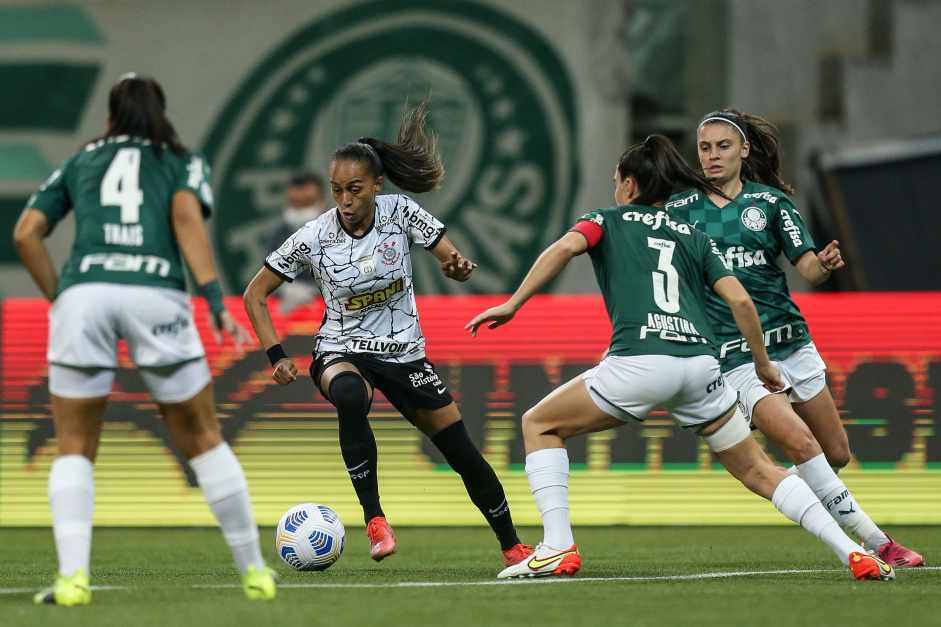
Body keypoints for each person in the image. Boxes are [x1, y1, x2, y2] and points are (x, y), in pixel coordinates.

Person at [467, 135, 895, 582]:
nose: (615, 189)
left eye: (617, 181)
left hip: (642, 361)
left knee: (539, 424)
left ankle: (557, 547)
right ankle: (853, 552)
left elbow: (563, 248)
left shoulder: (604, 220)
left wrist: (513, 303)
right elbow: (742, 302)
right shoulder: (694, 234)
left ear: (630, 186)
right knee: (759, 470)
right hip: (702, 366)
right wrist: (763, 363)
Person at [13, 73, 277, 605]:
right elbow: (185, 221)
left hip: (84, 294)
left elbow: (25, 233)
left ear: (110, 119)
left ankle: (72, 580)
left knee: (74, 446)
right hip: (154, 293)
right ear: (161, 115)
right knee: (204, 437)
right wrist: (212, 298)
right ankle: (254, 572)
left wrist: (62, 297)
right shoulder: (181, 160)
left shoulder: (81, 160)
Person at [242, 98, 533, 568]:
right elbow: (254, 294)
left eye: (355, 189)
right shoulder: (314, 235)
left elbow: (451, 259)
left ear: (377, 185)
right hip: (339, 348)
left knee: (462, 452)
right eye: (337, 190)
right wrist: (276, 355)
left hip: (404, 354)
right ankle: (375, 519)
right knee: (352, 396)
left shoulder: (401, 212)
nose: (346, 200)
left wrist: (457, 268)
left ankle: (514, 546)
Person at [667, 109, 923, 568]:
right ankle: (880, 543)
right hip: (737, 354)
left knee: (835, 455)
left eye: (723, 146)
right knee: (803, 446)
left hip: (792, 343)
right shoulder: (681, 211)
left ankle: (779, 482)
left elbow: (807, 268)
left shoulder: (771, 204)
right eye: (705, 148)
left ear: (745, 150)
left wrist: (823, 264)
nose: (712, 156)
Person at [266, 170, 327, 313]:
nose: (300, 210)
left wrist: (316, 291)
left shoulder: (336, 230)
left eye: (306, 204)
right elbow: (268, 276)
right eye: (295, 204)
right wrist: (283, 289)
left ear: (321, 201)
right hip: (289, 309)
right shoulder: (279, 233)